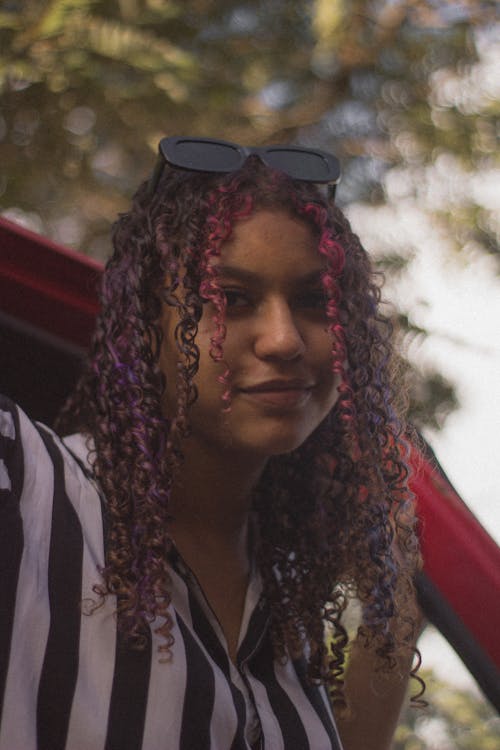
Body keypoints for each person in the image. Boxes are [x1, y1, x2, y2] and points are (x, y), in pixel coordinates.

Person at [0, 137, 422, 750]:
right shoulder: (27, 487)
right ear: (148, 325)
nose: (283, 340)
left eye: (313, 301)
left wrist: (397, 596)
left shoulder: (287, 610)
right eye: (229, 299)